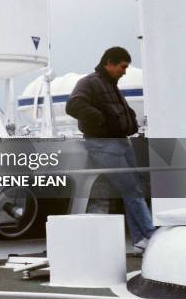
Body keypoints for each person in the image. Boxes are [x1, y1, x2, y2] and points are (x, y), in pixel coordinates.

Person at [66, 46, 155, 253]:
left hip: (120, 143)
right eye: (122, 67)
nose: (124, 71)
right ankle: (147, 236)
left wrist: (126, 120)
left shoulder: (109, 84)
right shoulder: (89, 82)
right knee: (131, 189)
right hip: (104, 145)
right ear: (109, 63)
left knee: (136, 187)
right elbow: (73, 106)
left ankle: (142, 239)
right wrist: (101, 119)